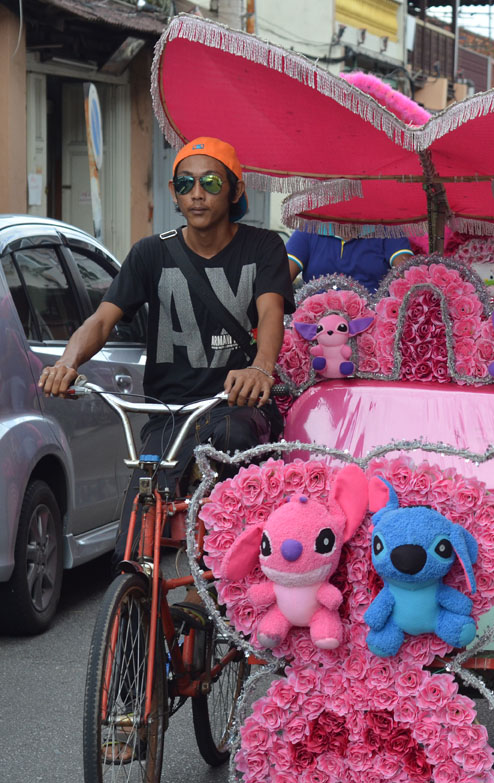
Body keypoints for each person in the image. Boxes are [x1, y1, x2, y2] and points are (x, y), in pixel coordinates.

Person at [39, 136, 295, 566]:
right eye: (186, 183)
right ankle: (137, 593)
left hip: (234, 404)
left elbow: (271, 312)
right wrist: (67, 362)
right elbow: (101, 320)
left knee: (233, 451)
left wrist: (260, 368)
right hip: (168, 410)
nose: (197, 193)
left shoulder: (263, 247)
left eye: (211, 182)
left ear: (235, 190)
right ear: (175, 192)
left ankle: (226, 576)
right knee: (137, 529)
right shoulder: (150, 253)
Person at [286, 230, 415, 292]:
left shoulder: (389, 230)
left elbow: (409, 277)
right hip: (314, 326)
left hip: (372, 325)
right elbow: (279, 280)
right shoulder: (308, 230)